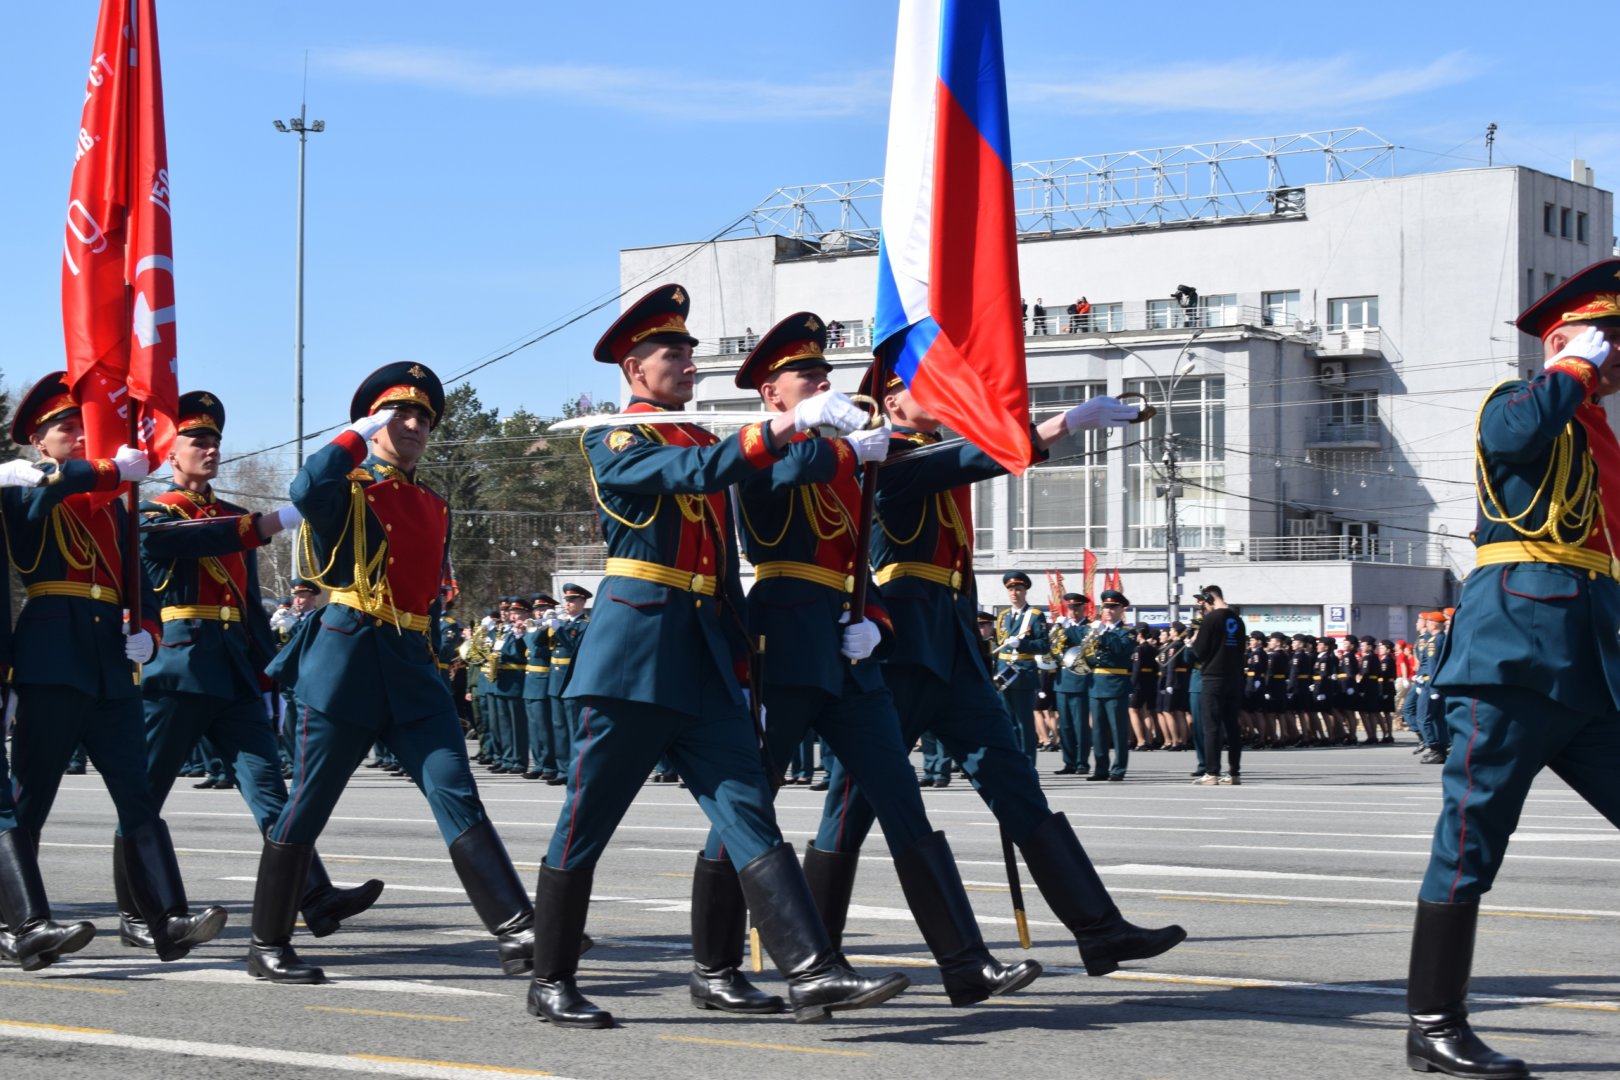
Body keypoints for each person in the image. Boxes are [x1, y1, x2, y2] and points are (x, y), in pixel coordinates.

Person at [536, 284, 907, 1028]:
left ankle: (808, 969)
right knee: (587, 821)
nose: (688, 364)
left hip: (704, 656)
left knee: (748, 810)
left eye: (690, 352)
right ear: (633, 369)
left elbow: (769, 480)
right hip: (635, 659)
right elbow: (692, 478)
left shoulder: (702, 439)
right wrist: (787, 422)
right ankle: (550, 978)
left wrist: (833, 444)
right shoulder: (617, 438)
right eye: (671, 353)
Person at [813, 374, 1185, 978]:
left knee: (1016, 785)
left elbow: (961, 462)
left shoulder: (931, 455)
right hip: (899, 652)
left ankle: (1098, 929)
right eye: (922, 383)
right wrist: (1060, 425)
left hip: (954, 651)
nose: (940, 393)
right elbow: (966, 458)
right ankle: (817, 959)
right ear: (890, 402)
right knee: (851, 807)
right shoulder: (886, 459)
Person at [722, 312, 1039, 1012]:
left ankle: (965, 963)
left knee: (904, 805)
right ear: (772, 393)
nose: (825, 384)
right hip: (784, 648)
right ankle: (719, 965)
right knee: (746, 808)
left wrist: (879, 628)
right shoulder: (768, 455)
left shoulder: (850, 459)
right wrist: (830, 435)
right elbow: (793, 468)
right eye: (808, 377)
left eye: (826, 375)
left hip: (847, 652)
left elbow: (862, 563)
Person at [253, 362, 539, 985]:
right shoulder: (347, 488)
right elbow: (305, 490)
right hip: (346, 664)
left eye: (422, 418)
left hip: (411, 668)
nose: (412, 425)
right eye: (399, 414)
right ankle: (267, 942)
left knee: (455, 789)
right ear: (374, 422)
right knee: (307, 805)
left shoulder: (434, 503)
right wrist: (354, 436)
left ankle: (519, 930)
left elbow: (429, 598)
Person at [1404, 261, 1620, 1079]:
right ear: (1570, 338)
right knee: (1469, 846)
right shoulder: (1523, 401)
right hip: (1512, 660)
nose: (1617, 361)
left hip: (1592, 671)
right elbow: (1509, 438)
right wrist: (1572, 363)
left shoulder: (1597, 429)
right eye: (1612, 341)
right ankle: (1433, 1022)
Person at [123, 391, 383, 953]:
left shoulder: (234, 519)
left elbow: (246, 606)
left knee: (272, 792)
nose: (210, 449)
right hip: (178, 671)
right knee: (142, 797)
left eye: (215, 440)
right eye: (197, 440)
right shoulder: (152, 516)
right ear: (171, 453)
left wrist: (270, 672)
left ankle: (314, 896)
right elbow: (189, 541)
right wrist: (270, 522)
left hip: (235, 674)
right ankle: (136, 912)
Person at [1, 372, 224, 964]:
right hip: (52, 659)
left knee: (137, 795)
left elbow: (139, 586)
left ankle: (167, 917)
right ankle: (18, 923)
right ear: (39, 443)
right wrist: (111, 470)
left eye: (84, 426)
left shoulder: (115, 508)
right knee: (29, 801)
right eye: (65, 429)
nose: (78, 436)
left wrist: (148, 632)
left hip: (108, 665)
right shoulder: (26, 493)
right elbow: (55, 487)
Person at [1189, 586, 1246, 785]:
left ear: (1209, 599)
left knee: (1211, 726)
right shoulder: (1237, 619)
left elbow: (1199, 651)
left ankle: (1212, 772)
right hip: (1234, 677)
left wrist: (1193, 641)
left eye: (1203, 604)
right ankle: (1234, 772)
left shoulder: (1210, 619)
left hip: (1213, 677)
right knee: (1232, 726)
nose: (1203, 608)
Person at [993, 571, 1048, 762]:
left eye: (1018, 589)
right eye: (1011, 589)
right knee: (1007, 722)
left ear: (1025, 591)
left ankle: (1027, 763)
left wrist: (1022, 644)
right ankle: (1011, 762)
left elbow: (1043, 645)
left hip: (1023, 672)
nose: (1014, 593)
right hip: (1003, 672)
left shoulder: (1035, 616)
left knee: (1024, 722)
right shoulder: (1003, 616)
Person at [1086, 591, 1138, 780]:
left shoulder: (1128, 632)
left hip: (1116, 685)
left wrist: (1104, 633)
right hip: (1095, 684)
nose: (1108, 610)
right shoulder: (1096, 629)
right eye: (1106, 607)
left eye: (1113, 607)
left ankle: (1118, 769)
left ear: (1121, 610)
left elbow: (1120, 650)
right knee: (1098, 731)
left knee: (1118, 730)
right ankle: (1100, 769)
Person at [546, 583, 592, 786]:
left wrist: (559, 629)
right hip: (556, 681)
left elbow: (574, 647)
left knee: (574, 728)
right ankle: (563, 769)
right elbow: (538, 644)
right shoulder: (563, 623)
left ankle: (577, 770)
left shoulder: (584, 624)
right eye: (567, 600)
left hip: (571, 680)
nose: (568, 604)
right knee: (559, 728)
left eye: (573, 600)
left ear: (583, 602)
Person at [1049, 592, 1092, 776]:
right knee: (1064, 725)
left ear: (1084, 609)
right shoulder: (1061, 628)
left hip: (1079, 681)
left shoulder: (1088, 629)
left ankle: (1082, 762)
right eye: (1070, 608)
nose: (1073, 612)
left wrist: (1066, 629)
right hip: (1062, 681)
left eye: (1077, 608)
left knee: (1080, 725)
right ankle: (1069, 761)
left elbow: (1083, 644)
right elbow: (1051, 647)